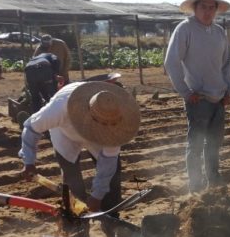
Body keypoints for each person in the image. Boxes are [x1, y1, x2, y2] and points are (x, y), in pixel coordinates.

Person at [19, 81, 140, 217]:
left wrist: (97, 196)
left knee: (113, 175)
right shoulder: (59, 108)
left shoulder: (115, 123)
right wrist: (29, 161)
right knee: (70, 175)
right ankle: (76, 217)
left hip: (103, 134)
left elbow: (108, 163)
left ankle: (111, 215)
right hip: (65, 133)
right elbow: (31, 128)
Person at [164, 0, 230, 193]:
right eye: (203, 6)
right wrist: (186, 92)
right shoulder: (185, 29)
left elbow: (227, 63)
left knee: (214, 143)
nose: (207, 11)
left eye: (211, 7)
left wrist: (229, 90)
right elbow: (171, 63)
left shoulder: (219, 32)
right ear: (195, 8)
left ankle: (213, 180)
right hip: (198, 99)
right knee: (195, 145)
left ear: (216, 9)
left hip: (219, 98)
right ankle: (195, 186)